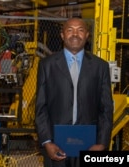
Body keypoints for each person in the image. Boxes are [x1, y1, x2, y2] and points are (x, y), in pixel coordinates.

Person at [35, 17, 114, 167]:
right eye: (70, 30)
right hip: (56, 145)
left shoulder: (100, 67)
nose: (75, 34)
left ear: (87, 35)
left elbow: (106, 108)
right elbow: (41, 107)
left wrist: (102, 144)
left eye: (80, 30)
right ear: (62, 35)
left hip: (90, 146)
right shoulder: (47, 65)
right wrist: (46, 142)